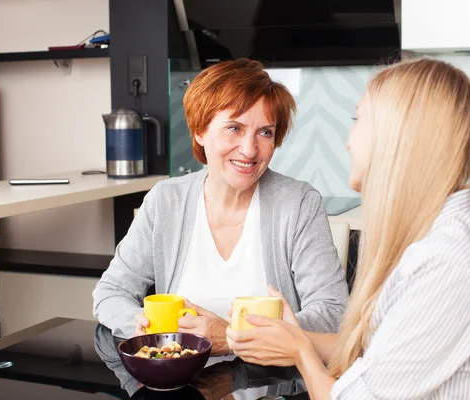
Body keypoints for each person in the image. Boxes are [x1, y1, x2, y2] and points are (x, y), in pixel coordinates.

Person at [226, 58, 470, 399]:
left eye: (359, 121)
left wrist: (299, 350)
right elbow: (381, 355)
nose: (348, 142)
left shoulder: (444, 261)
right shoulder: (433, 236)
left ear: (397, 138)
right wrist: (294, 335)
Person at [92, 59, 348, 360]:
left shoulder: (298, 203)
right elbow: (111, 292)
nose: (250, 150)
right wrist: (144, 328)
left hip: (274, 385)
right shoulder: (166, 201)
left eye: (265, 133)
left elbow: (333, 312)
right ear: (200, 130)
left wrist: (230, 335)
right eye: (234, 128)